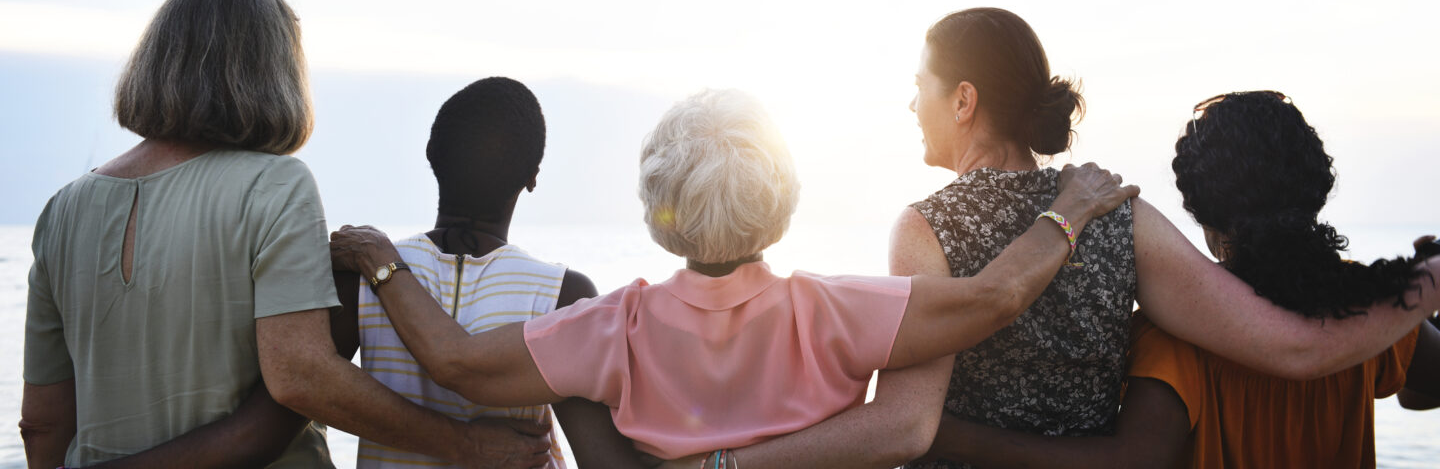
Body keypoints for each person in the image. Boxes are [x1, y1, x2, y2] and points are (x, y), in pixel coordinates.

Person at [657, 8, 1440, 469]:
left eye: (920, 90)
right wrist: (1415, 283)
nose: (909, 106)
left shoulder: (925, 227)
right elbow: (1284, 340)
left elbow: (908, 424)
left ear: (963, 100)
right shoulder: (1117, 209)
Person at [329, 88, 1140, 463]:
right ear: (780, 198)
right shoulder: (835, 311)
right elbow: (996, 297)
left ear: (657, 202)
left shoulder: (611, 327)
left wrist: (382, 260)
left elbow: (455, 361)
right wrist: (1066, 209)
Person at [20, 0, 549, 469]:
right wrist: (465, 444)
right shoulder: (274, 185)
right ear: (274, 70)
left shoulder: (63, 209)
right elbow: (301, 378)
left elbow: (42, 426)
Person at [912, 90, 1440, 468]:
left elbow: (1135, 459)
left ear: (1200, 207)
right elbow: (1424, 392)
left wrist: (948, 437)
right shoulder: (1368, 307)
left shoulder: (1180, 334)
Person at [327, 77, 650, 468]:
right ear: (532, 177)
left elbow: (310, 392)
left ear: (432, 155)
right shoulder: (561, 294)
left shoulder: (362, 275)